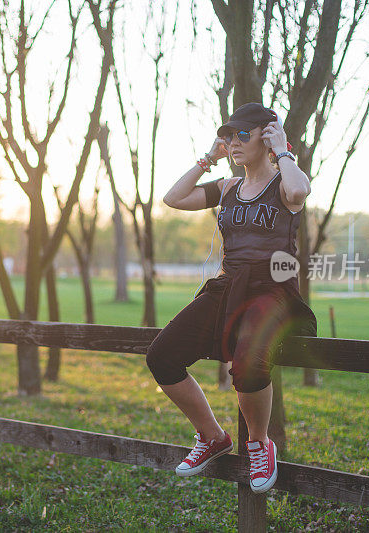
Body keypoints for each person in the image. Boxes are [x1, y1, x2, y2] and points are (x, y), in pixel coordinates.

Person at [146, 102, 318, 494]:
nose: (234, 141)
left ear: (267, 135)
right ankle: (211, 436)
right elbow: (174, 198)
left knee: (248, 363)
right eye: (229, 135)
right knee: (162, 355)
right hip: (228, 286)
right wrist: (210, 156)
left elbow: (299, 191)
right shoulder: (228, 187)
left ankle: (259, 444)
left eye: (243, 134)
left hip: (273, 287)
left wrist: (283, 151)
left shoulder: (284, 179)